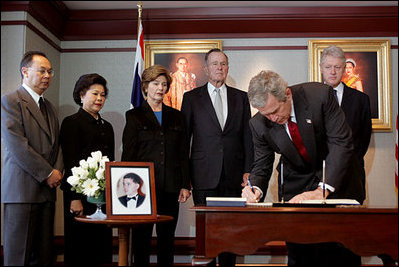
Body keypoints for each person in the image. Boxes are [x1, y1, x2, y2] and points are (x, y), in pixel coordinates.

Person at [241, 70, 365, 267]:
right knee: (302, 255)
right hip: (297, 187)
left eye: (275, 111)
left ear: (287, 94)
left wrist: (322, 189)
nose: (272, 118)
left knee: (341, 254)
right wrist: (254, 187)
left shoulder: (319, 96)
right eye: (266, 114)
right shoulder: (258, 124)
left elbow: (342, 144)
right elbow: (262, 163)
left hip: (337, 181)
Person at [181, 48, 253, 266]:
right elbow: (185, 141)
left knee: (230, 229)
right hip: (203, 176)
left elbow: (247, 137)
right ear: (206, 68)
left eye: (223, 64)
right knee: (206, 232)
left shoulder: (241, 97)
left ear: (227, 67)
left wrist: (248, 170)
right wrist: (185, 180)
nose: (219, 68)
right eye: (214, 64)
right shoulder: (191, 98)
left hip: (234, 175)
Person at [122, 64, 191, 267]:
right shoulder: (133, 116)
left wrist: (185, 184)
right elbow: (129, 155)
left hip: (171, 186)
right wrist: (128, 187)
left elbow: (182, 153)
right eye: (155, 83)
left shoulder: (177, 116)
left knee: (166, 239)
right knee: (141, 240)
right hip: (142, 188)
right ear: (145, 86)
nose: (160, 88)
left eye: (163, 84)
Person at [1, 51, 63, 266]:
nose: (47, 75)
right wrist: (47, 173)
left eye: (50, 71)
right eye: (42, 71)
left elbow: (57, 146)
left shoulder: (49, 107)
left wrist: (57, 172)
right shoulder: (10, 101)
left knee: (44, 256)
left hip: (47, 193)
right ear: (25, 72)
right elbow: (17, 146)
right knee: (19, 257)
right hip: (21, 192)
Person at [59, 73, 114, 265]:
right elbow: (70, 162)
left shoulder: (107, 127)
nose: (100, 99)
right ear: (82, 95)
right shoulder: (71, 122)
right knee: (80, 248)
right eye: (95, 94)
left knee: (102, 248)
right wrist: (75, 198)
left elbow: (110, 163)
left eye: (103, 95)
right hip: (79, 196)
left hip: (102, 198)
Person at [320, 45, 372, 195]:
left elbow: (364, 138)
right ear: (321, 68)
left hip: (351, 178)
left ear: (344, 69)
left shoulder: (361, 100)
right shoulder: (310, 98)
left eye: (337, 67)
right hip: (319, 180)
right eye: (328, 66)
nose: (333, 71)